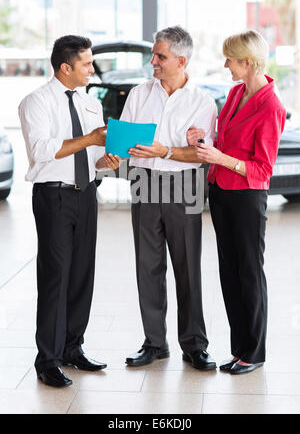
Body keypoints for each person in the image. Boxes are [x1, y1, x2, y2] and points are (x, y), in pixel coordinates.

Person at [19, 35, 120, 387]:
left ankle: (73, 348)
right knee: (55, 279)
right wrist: (91, 140)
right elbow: (43, 149)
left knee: (81, 275)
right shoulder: (36, 102)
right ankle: (47, 359)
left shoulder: (91, 103)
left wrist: (104, 160)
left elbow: (92, 155)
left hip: (86, 194)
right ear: (66, 67)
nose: (93, 69)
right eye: (87, 64)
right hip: (54, 198)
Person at [120, 26, 217, 370]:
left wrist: (168, 150)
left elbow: (202, 154)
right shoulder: (139, 94)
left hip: (185, 184)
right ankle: (155, 343)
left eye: (160, 56)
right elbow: (123, 141)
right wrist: (119, 151)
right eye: (154, 55)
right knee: (148, 265)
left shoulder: (202, 101)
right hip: (144, 180)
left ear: (181, 59)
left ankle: (194, 345)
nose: (153, 62)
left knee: (188, 266)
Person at [193, 29, 286, 374]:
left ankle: (255, 351)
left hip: (247, 197)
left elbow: (262, 169)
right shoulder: (235, 93)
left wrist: (219, 157)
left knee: (248, 273)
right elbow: (225, 139)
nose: (226, 65)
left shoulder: (271, 106)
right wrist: (203, 141)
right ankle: (239, 349)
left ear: (248, 62)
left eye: (230, 59)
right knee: (229, 272)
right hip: (221, 191)